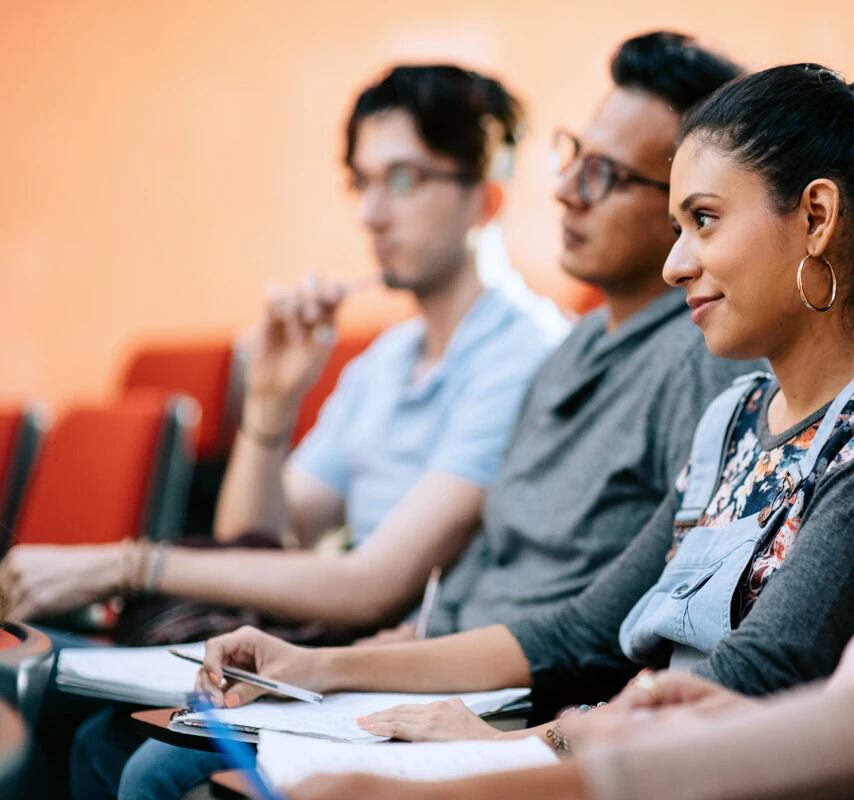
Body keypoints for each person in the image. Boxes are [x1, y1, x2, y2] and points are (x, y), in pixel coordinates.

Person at [282, 3, 854, 798]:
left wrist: (518, 751)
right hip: (627, 749)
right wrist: (313, 666)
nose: (676, 265)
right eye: (677, 226)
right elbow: (579, 630)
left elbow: (759, 676)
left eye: (704, 222)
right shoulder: (734, 418)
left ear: (816, 217)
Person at [89, 31, 756, 800]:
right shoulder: (572, 351)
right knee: (123, 741)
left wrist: (132, 564)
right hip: (446, 663)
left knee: (155, 767)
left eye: (604, 174)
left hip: (515, 698)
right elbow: (287, 544)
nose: (568, 189)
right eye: (572, 155)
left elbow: (626, 628)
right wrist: (270, 412)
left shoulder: (686, 359)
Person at [0, 64, 567, 637]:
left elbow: (373, 587)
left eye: (402, 180)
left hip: (425, 681)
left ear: (487, 199)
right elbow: (253, 547)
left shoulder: (528, 356)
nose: (370, 215)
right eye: (361, 182)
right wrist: (270, 404)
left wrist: (125, 566)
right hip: (339, 663)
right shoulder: (386, 362)